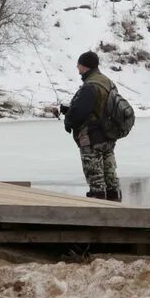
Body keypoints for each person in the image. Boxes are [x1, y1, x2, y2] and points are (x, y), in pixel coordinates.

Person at [60, 50, 121, 201]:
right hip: (108, 136)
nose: (77, 67)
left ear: (85, 66)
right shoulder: (108, 82)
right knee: (110, 178)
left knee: (96, 180)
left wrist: (68, 120)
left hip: (92, 138)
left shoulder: (90, 86)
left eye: (78, 65)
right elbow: (97, 108)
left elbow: (80, 113)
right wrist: (69, 110)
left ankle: (98, 212)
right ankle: (116, 208)